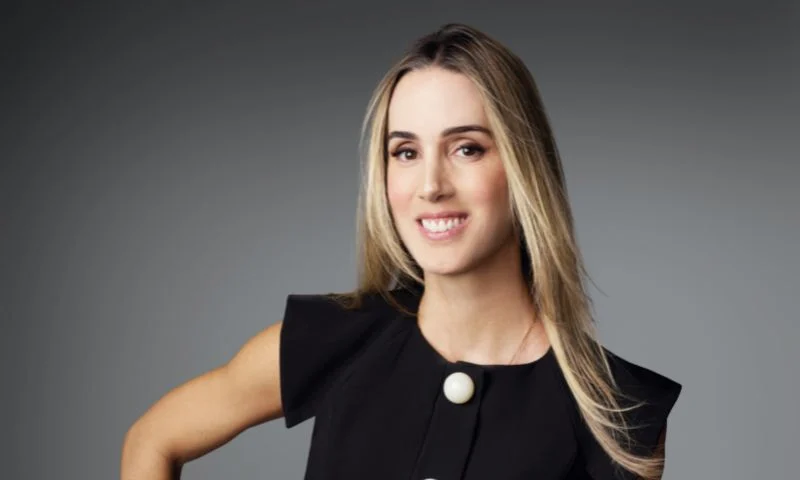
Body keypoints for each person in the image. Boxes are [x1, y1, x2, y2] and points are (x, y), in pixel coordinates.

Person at [121, 23, 682, 480]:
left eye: (467, 148)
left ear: (523, 167)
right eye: (406, 152)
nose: (431, 185)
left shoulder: (618, 413)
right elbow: (153, 440)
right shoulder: (335, 340)